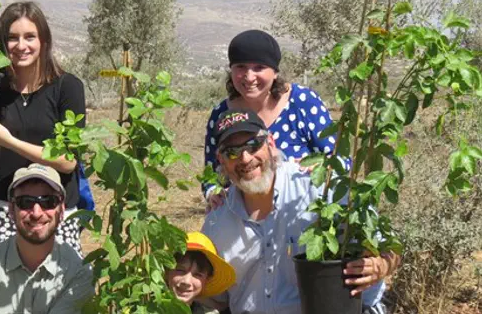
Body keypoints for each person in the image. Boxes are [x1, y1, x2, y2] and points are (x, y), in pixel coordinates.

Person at [201, 108, 398, 314]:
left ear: (270, 143)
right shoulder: (217, 221)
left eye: (253, 144)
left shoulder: (318, 187)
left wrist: (381, 265)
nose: (245, 158)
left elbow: (389, 246)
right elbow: (214, 298)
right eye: (231, 152)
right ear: (221, 160)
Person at [0, 1, 86, 254]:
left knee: (56, 291)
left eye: (29, 37)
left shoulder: (67, 87)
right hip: (4, 209)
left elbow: (68, 161)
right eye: (12, 38)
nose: (21, 46)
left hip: (54, 213)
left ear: (43, 40)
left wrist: (9, 141)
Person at [203, 30, 336, 211]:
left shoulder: (303, 103)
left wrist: (320, 166)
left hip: (305, 215)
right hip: (246, 223)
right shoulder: (221, 115)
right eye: (241, 67)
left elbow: (340, 160)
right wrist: (213, 193)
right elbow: (211, 174)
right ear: (231, 70)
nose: (249, 77)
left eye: (259, 67)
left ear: (275, 72)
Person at [0, 164, 94, 313]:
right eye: (26, 202)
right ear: (11, 209)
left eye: (48, 201)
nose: (36, 213)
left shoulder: (78, 273)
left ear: (62, 210)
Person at [166, 232, 236, 313]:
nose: (186, 281)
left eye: (197, 275)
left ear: (206, 280)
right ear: (167, 271)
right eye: (181, 270)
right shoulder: (149, 302)